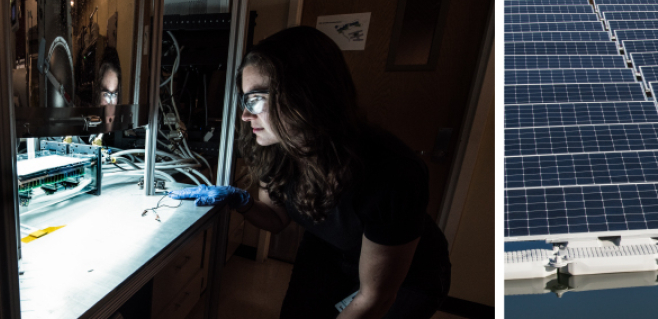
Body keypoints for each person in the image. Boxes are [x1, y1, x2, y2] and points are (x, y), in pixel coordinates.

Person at [169, 27, 451, 319]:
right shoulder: (276, 147)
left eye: (256, 99)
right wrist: (241, 202)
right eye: (245, 100)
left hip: (404, 274)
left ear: (306, 95)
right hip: (329, 248)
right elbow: (278, 219)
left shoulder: (390, 173)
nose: (245, 115)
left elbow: (374, 297)